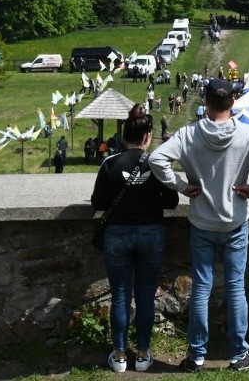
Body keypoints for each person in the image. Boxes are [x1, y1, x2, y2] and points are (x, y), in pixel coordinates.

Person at [148, 78, 249, 372]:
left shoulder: (188, 134)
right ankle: (238, 355)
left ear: (205, 102)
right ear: (232, 102)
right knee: (236, 288)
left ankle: (196, 355)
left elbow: (157, 159)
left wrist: (181, 186)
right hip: (235, 220)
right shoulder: (247, 134)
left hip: (202, 221)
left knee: (201, 289)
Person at [90, 105, 180, 373]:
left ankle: (119, 355)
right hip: (150, 232)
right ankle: (142, 353)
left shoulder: (110, 164)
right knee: (144, 296)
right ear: (147, 137)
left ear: (123, 136)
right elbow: (173, 202)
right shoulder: (157, 163)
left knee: (119, 296)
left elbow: (98, 202)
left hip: (117, 234)